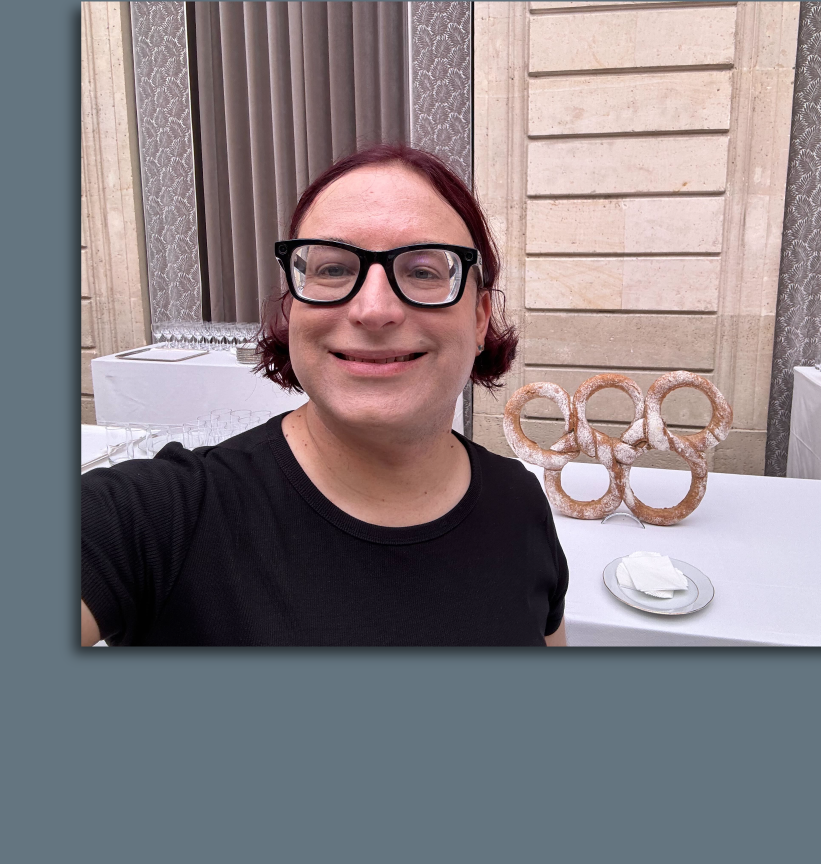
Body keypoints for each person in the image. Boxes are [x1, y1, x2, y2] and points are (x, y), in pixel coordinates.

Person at [81, 146, 569, 646]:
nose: (374, 310)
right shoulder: (159, 515)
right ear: (293, 307)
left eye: (423, 272)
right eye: (333, 269)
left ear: (480, 317)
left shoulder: (521, 503)